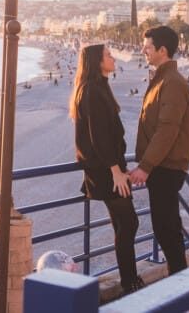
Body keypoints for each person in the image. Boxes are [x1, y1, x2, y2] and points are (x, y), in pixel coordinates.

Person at [71, 43, 144, 294]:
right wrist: (115, 171)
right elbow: (98, 136)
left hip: (110, 168)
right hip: (106, 171)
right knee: (129, 223)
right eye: (108, 55)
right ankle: (130, 281)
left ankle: (130, 280)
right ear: (96, 62)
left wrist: (117, 167)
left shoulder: (99, 87)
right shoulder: (91, 90)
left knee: (124, 224)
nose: (113, 58)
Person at [127, 24, 189, 277]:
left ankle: (180, 285)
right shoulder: (163, 79)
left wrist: (145, 166)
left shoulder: (172, 83)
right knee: (166, 227)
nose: (143, 51)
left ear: (162, 50)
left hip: (166, 168)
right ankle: (179, 280)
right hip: (161, 166)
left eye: (147, 47)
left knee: (166, 229)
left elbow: (167, 129)